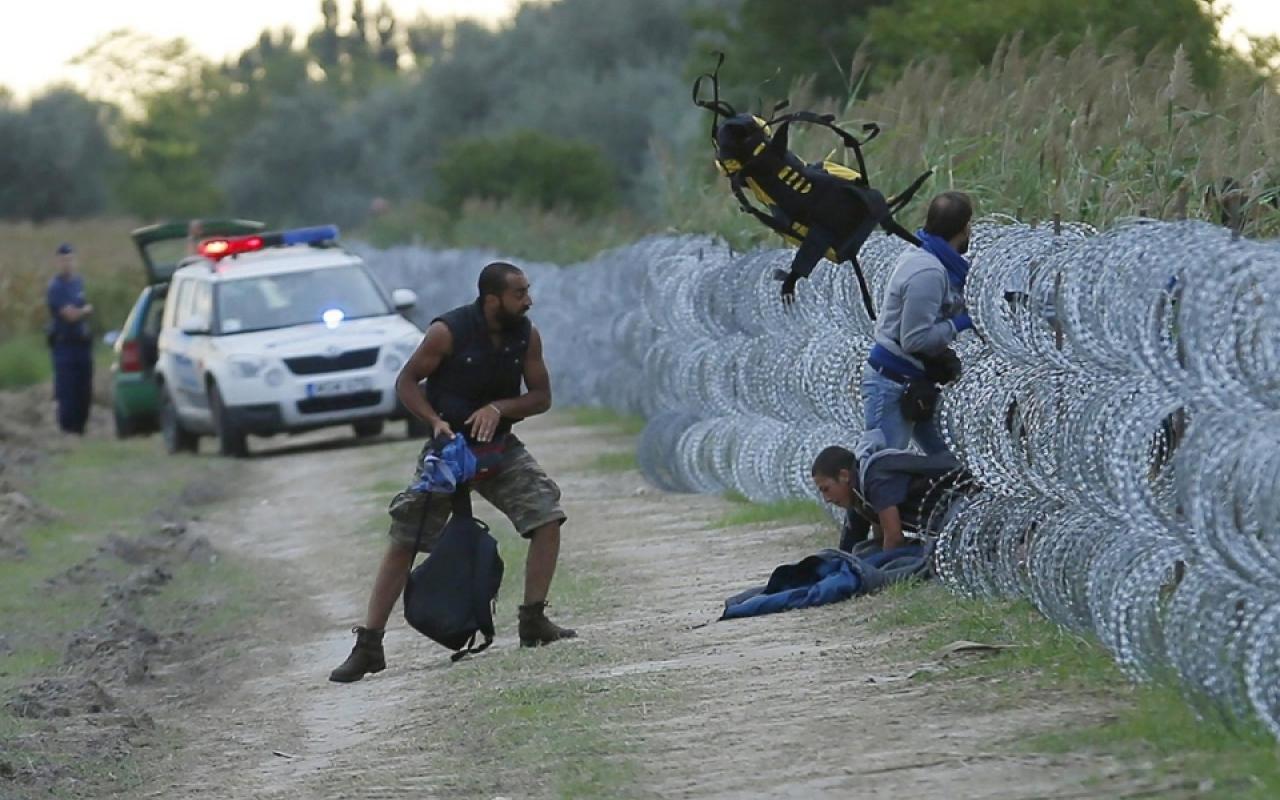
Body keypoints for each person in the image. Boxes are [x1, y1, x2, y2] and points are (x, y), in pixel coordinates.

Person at [330, 262, 575, 683]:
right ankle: (369, 644)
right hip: (449, 452)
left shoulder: (525, 335)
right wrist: (434, 421)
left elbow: (540, 397)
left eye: (527, 292)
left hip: (498, 448)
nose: (529, 301)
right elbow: (407, 382)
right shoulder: (447, 332)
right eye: (519, 294)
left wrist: (499, 408)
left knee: (547, 516)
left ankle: (533, 620)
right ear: (492, 299)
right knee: (405, 537)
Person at [862, 191, 976, 455]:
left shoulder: (935, 261)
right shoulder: (928, 272)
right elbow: (915, 340)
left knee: (948, 463)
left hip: (913, 381)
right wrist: (961, 323)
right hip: (892, 383)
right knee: (882, 467)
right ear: (964, 227)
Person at [811, 432, 970, 553]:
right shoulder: (862, 488)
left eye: (826, 489)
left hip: (964, 501)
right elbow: (881, 535)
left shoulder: (875, 478)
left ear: (844, 476)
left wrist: (880, 569)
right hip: (949, 514)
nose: (827, 499)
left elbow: (894, 538)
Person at [45, 243, 94, 435]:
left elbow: (78, 309)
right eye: (64, 260)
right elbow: (70, 314)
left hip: (82, 344)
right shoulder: (55, 287)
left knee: (84, 389)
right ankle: (68, 430)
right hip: (64, 345)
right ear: (58, 262)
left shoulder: (78, 282)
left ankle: (81, 428)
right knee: (67, 390)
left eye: (70, 260)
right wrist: (85, 311)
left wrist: (81, 311)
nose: (68, 264)